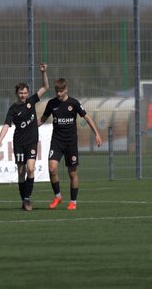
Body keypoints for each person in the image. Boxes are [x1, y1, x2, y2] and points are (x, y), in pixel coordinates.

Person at [39, 78, 102, 210]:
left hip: (70, 143)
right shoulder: (51, 103)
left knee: (72, 173)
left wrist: (96, 133)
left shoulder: (73, 103)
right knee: (52, 168)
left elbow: (87, 117)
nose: (58, 94)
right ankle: (58, 196)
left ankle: (73, 201)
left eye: (61, 91)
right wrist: (31, 127)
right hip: (56, 141)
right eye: (56, 91)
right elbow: (43, 119)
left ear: (66, 90)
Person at [0, 63, 49, 211]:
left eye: (25, 92)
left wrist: (43, 73)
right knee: (21, 172)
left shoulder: (32, 101)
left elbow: (45, 88)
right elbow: (6, 125)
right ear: (17, 93)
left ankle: (27, 199)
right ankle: (24, 200)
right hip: (19, 142)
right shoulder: (13, 109)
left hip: (31, 142)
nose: (23, 95)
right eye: (21, 93)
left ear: (28, 93)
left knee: (31, 169)